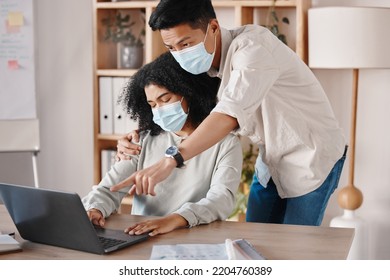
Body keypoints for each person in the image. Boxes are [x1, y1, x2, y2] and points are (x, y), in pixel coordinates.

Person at [113, 0, 347, 226]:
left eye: (185, 44)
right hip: (272, 157)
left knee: (296, 249)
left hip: (312, 154)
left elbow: (228, 113)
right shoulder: (203, 62)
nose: (180, 54)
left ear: (213, 27)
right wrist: (138, 135)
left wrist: (172, 159)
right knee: (253, 242)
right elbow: (181, 104)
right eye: (171, 48)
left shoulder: (253, 50)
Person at [83, 52, 242, 236]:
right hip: (143, 236)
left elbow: (221, 200)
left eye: (165, 100)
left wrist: (175, 220)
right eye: (152, 104)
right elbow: (108, 189)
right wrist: (95, 209)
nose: (159, 110)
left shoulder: (225, 143)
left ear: (190, 92)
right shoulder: (141, 140)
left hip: (194, 236)